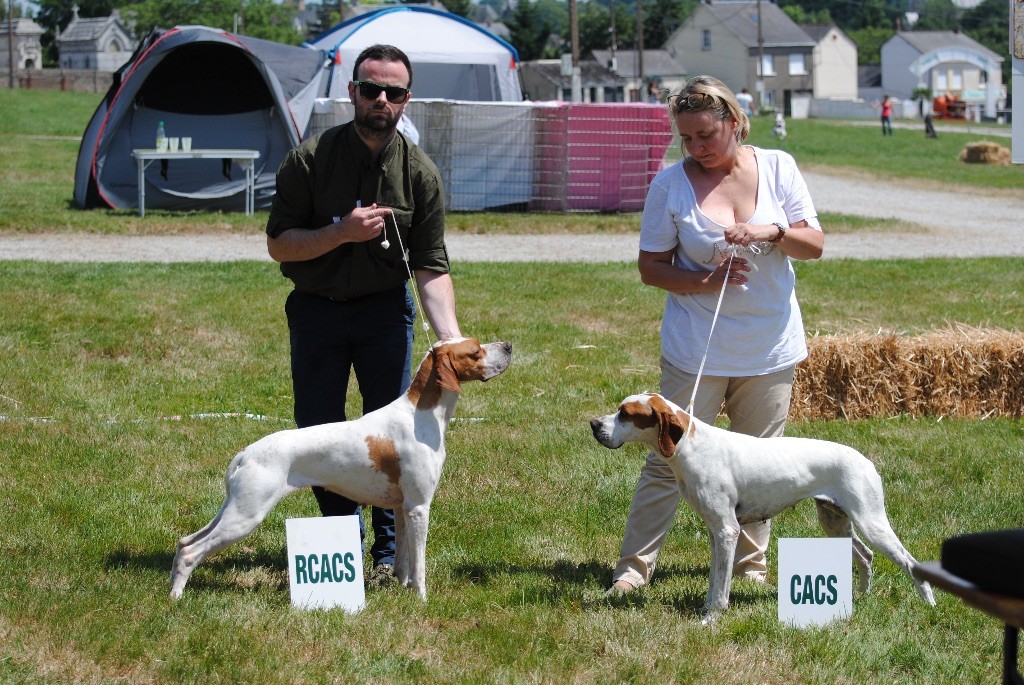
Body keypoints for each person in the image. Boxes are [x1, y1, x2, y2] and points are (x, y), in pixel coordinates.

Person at [607, 75, 824, 596]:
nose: (696, 147)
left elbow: (812, 244)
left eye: (706, 134)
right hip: (695, 349)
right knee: (667, 460)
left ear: (735, 122)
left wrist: (770, 232)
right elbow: (651, 268)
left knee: (762, 460)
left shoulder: (778, 166)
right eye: (686, 138)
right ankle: (634, 569)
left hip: (768, 348)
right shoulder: (670, 186)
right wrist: (708, 279)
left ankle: (750, 567)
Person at [265, 44, 462, 588]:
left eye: (393, 92)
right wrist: (339, 234)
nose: (381, 99)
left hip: (383, 313)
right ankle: (337, 548)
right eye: (370, 88)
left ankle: (390, 554)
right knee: (322, 431)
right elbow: (280, 245)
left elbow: (431, 264)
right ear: (351, 92)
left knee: (398, 435)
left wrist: (449, 338)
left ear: (406, 100)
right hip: (317, 313)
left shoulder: (420, 174)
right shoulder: (309, 160)